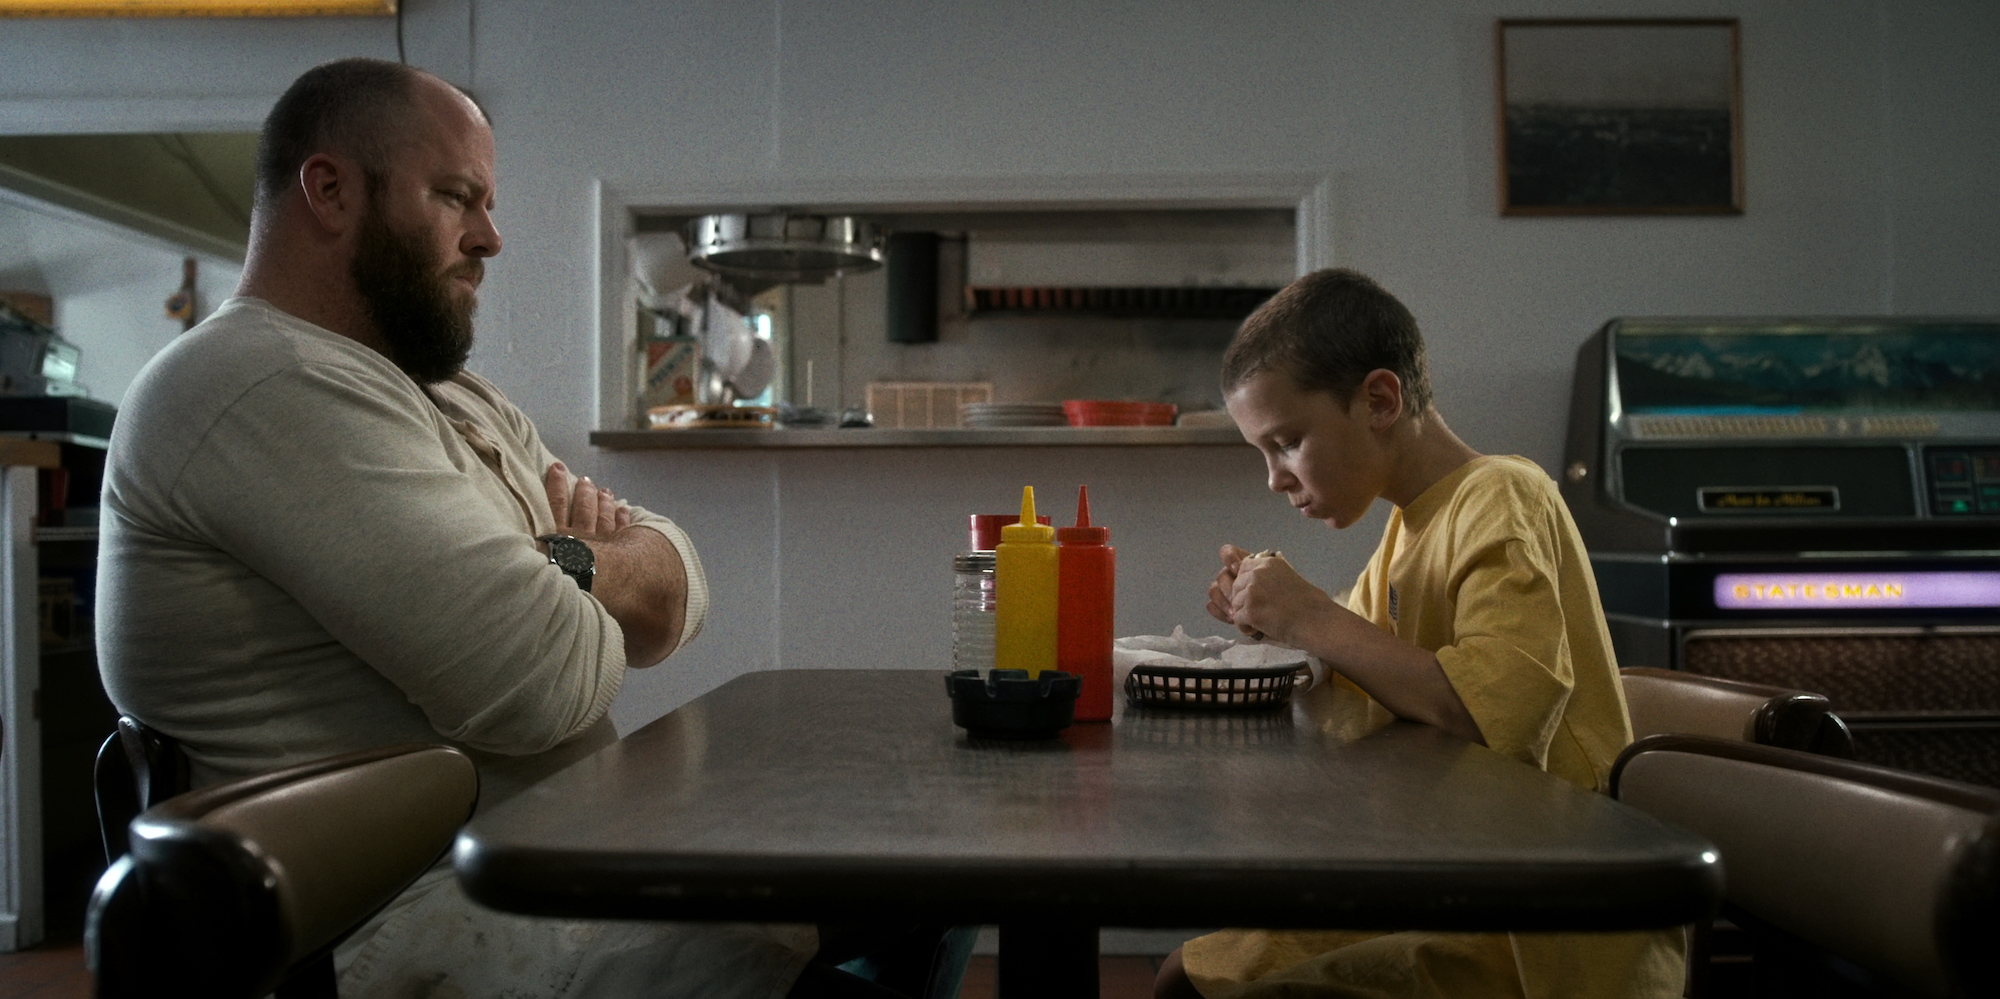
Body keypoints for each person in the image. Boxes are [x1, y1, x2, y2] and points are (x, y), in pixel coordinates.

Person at [96, 57, 927, 999]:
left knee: (904, 875)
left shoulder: (451, 395)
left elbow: (680, 583)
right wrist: (598, 570)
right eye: (457, 197)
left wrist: (566, 561)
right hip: (410, 921)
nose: (491, 237)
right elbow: (547, 682)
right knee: (883, 905)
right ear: (328, 189)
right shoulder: (256, 381)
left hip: (543, 875)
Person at [1154, 269, 1683, 999]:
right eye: (1262, 452)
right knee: (1187, 972)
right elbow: (1357, 670)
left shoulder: (1504, 494)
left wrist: (1310, 615)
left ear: (1379, 399)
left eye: (1287, 441)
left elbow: (1485, 712)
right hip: (1454, 878)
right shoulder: (1406, 531)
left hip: (1544, 927)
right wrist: (1272, 620)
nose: (1274, 478)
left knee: (1217, 988)